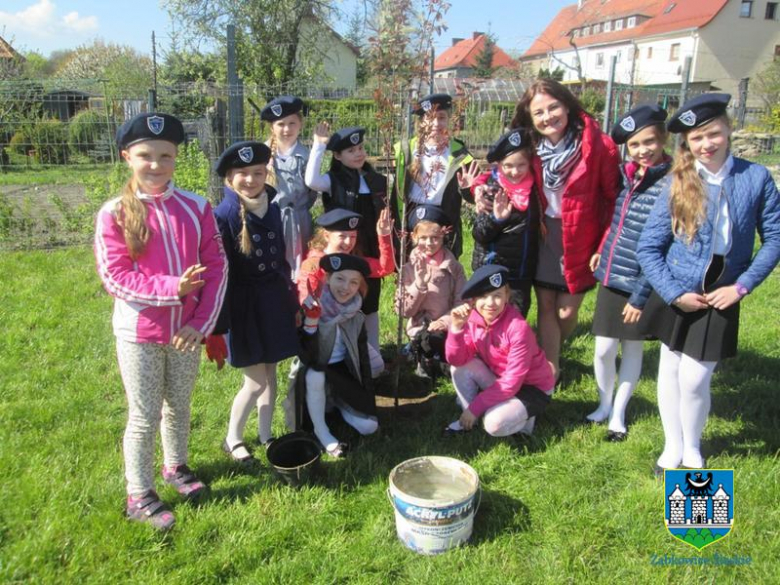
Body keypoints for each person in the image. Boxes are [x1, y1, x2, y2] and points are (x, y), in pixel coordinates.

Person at [94, 112, 228, 530]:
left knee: (179, 405)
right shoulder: (114, 212)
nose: (156, 165)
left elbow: (217, 266)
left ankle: (176, 466)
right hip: (140, 335)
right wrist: (173, 288)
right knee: (144, 414)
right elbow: (115, 276)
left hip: (187, 333)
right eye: (146, 156)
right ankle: (139, 492)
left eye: (165, 156)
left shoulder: (197, 206)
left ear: (176, 158)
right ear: (127, 157)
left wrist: (200, 323)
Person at [637, 93, 780, 473]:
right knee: (669, 370)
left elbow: (776, 237)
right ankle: (673, 447)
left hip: (722, 294)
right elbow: (648, 248)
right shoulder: (676, 183)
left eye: (713, 134)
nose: (706, 145)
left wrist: (742, 286)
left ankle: (694, 446)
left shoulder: (756, 177)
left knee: (695, 377)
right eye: (696, 139)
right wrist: (673, 293)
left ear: (729, 129)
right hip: (677, 291)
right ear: (686, 143)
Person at [510, 79, 620, 381]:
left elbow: (614, 199)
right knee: (546, 305)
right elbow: (505, 175)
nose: (548, 117)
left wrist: (603, 245)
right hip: (544, 234)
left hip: (582, 236)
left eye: (553, 107)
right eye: (539, 112)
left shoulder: (598, 145)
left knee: (566, 312)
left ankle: (549, 350)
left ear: (567, 104)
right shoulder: (529, 146)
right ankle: (550, 370)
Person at [211, 141, 301, 464]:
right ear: (228, 179)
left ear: (267, 173)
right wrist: (219, 323)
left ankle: (265, 434)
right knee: (255, 380)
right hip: (245, 308)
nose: (250, 180)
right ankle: (232, 437)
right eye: (242, 174)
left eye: (258, 173)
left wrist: (292, 302)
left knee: (271, 374)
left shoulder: (273, 207)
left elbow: (282, 262)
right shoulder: (223, 217)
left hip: (274, 303)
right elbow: (219, 273)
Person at [586, 104, 672, 441]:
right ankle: (604, 402)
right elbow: (616, 219)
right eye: (635, 145)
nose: (643, 150)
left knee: (632, 349)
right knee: (604, 349)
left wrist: (640, 296)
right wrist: (601, 249)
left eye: (649, 142)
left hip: (643, 280)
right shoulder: (627, 175)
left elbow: (665, 245)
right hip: (612, 274)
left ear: (663, 139)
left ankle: (619, 415)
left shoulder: (672, 182)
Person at [305, 125, 397, 357]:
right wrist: (319, 144)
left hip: (372, 248)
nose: (358, 154)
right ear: (337, 155)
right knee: (342, 298)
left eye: (360, 148)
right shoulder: (332, 180)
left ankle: (372, 355)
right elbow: (311, 180)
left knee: (369, 302)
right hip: (345, 247)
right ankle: (339, 352)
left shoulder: (377, 180)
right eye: (350, 151)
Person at [444, 265, 555, 437]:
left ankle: (525, 423)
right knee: (459, 368)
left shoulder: (518, 328)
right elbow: (456, 360)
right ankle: (471, 418)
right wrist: (456, 329)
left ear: (507, 297)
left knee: (494, 424)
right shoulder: (472, 319)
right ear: (473, 300)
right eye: (483, 296)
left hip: (532, 387)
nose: (490, 303)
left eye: (497, 296)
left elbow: (513, 380)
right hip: (501, 379)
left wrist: (477, 407)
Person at [286, 254, 379, 458]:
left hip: (341, 372)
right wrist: (310, 324)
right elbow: (307, 356)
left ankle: (336, 405)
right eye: (340, 279)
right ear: (327, 278)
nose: (346, 287)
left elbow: (362, 361)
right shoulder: (312, 306)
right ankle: (322, 431)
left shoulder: (356, 315)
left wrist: (367, 401)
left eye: (353, 282)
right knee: (316, 375)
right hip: (314, 366)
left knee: (369, 426)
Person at [297, 208, 394, 376]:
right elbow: (306, 297)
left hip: (348, 329)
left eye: (353, 236)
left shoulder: (353, 261)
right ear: (326, 235)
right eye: (342, 236)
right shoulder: (314, 263)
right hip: (321, 331)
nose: (348, 242)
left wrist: (384, 236)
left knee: (376, 367)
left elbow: (385, 268)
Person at [394, 93, 479, 259]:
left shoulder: (459, 153)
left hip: (444, 220)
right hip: (412, 219)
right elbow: (395, 195)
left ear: (448, 120)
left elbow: (475, 196)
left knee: (442, 274)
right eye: (430, 117)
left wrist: (468, 189)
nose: (436, 123)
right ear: (421, 121)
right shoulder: (406, 150)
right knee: (412, 272)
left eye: (441, 117)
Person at [470, 128, 543, 318]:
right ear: (499, 165)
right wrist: (497, 219)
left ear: (530, 165)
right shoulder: (492, 190)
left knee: (516, 320)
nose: (515, 171)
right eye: (508, 165)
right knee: (489, 319)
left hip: (521, 272)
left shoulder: (535, 190)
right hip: (493, 267)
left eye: (521, 165)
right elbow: (479, 233)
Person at [397, 204, 467, 377]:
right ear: (414, 237)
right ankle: (420, 355)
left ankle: (438, 358)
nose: (429, 243)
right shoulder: (407, 269)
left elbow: (462, 302)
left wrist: (444, 322)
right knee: (425, 342)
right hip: (419, 329)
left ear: (443, 236)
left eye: (435, 238)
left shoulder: (455, 269)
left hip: (447, 327)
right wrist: (419, 283)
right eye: (423, 238)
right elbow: (403, 310)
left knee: (446, 355)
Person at [261, 96, 316, 280]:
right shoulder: (262, 155)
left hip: (300, 221)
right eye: (281, 124)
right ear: (272, 128)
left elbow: (312, 192)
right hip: (271, 220)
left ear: (300, 124)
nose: (286, 129)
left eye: (292, 123)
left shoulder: (307, 156)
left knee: (302, 271)